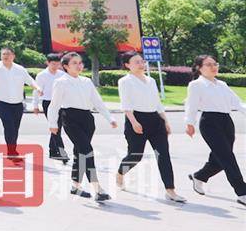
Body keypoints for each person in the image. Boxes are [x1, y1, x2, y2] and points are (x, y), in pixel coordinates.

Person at [115, 51, 184, 202]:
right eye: (137, 62)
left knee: (163, 155)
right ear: (127, 65)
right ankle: (120, 173)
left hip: (155, 120)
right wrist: (134, 122)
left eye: (142, 61)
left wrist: (165, 121)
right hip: (137, 119)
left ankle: (170, 190)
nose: (141, 64)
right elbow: (126, 105)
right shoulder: (125, 81)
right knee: (135, 155)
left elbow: (157, 103)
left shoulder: (151, 80)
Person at [47, 52, 116, 202]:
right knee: (87, 150)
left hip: (87, 120)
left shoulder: (86, 81)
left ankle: (75, 186)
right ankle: (97, 188)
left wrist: (109, 118)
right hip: (70, 119)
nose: (79, 66)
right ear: (65, 66)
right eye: (74, 63)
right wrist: (52, 124)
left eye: (80, 63)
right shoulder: (61, 82)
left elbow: (97, 101)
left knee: (80, 152)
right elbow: (54, 105)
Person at [184, 54, 246, 205]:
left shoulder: (222, 84)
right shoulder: (196, 85)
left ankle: (199, 176)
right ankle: (242, 192)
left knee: (220, 159)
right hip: (209, 123)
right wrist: (189, 123)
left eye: (215, 64)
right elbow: (191, 105)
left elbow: (238, 103)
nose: (213, 67)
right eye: (209, 65)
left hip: (226, 122)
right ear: (199, 68)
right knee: (227, 158)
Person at [0, 47, 41, 157]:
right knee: (9, 126)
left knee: (15, 128)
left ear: (13, 56)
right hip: (2, 102)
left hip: (18, 103)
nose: (5, 56)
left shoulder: (20, 69)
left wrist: (37, 88)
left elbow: (30, 81)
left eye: (8, 54)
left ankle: (12, 147)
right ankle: (11, 151)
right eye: (3, 54)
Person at [32, 53, 69, 162]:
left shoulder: (62, 74)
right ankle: (62, 152)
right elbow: (36, 91)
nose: (55, 66)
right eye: (53, 64)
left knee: (57, 127)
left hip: (61, 103)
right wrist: (35, 106)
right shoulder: (41, 75)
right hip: (48, 103)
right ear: (47, 63)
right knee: (55, 127)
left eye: (58, 64)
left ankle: (53, 151)